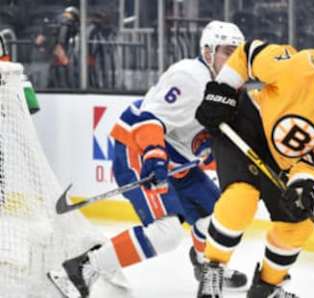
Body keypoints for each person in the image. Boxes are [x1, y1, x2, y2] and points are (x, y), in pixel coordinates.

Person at [47, 20, 248, 298]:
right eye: (228, 51)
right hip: (139, 146)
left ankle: (207, 268)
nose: (234, 60)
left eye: (238, 54)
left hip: (175, 152)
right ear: (208, 52)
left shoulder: (232, 88)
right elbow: (147, 120)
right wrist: (154, 158)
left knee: (220, 215)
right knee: (167, 232)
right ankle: (82, 268)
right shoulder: (190, 77)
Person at [194, 41, 314, 297]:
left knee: (298, 224)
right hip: (248, 128)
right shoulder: (299, 68)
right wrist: (222, 91)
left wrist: (304, 185)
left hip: (285, 162)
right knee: (240, 200)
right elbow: (247, 54)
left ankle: (267, 287)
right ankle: (212, 267)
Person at [49, 6, 80, 88]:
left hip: (55, 52)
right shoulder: (67, 22)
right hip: (61, 52)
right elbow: (61, 38)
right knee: (63, 74)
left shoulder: (57, 19)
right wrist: (61, 53)